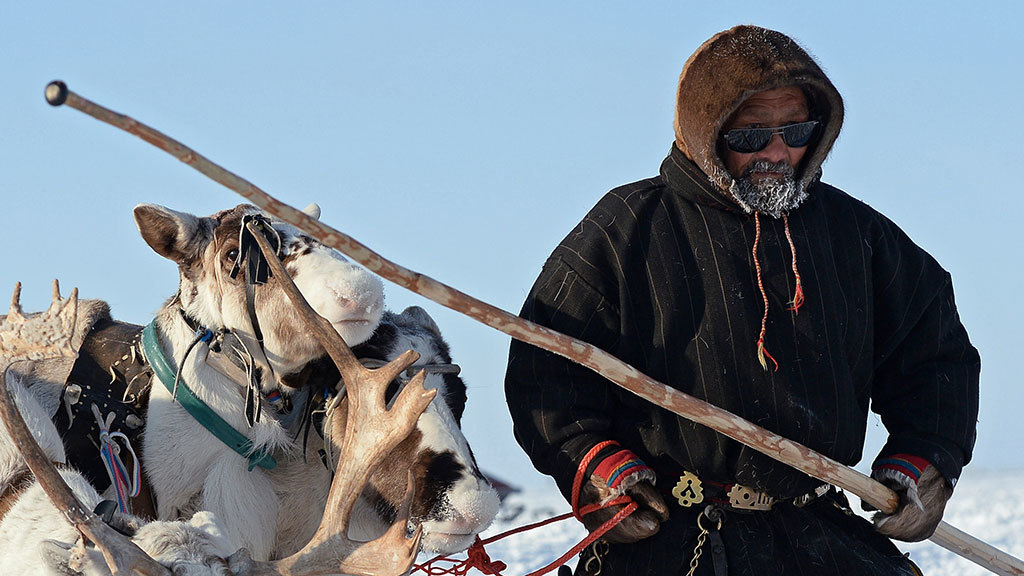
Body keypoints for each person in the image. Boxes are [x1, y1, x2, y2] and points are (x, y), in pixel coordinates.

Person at [504, 25, 979, 576]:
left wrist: (926, 459)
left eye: (797, 130)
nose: (778, 152)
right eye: (752, 136)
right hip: (675, 535)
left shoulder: (858, 235)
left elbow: (934, 355)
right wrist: (592, 467)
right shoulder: (626, 230)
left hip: (817, 529)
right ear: (706, 131)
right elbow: (547, 368)